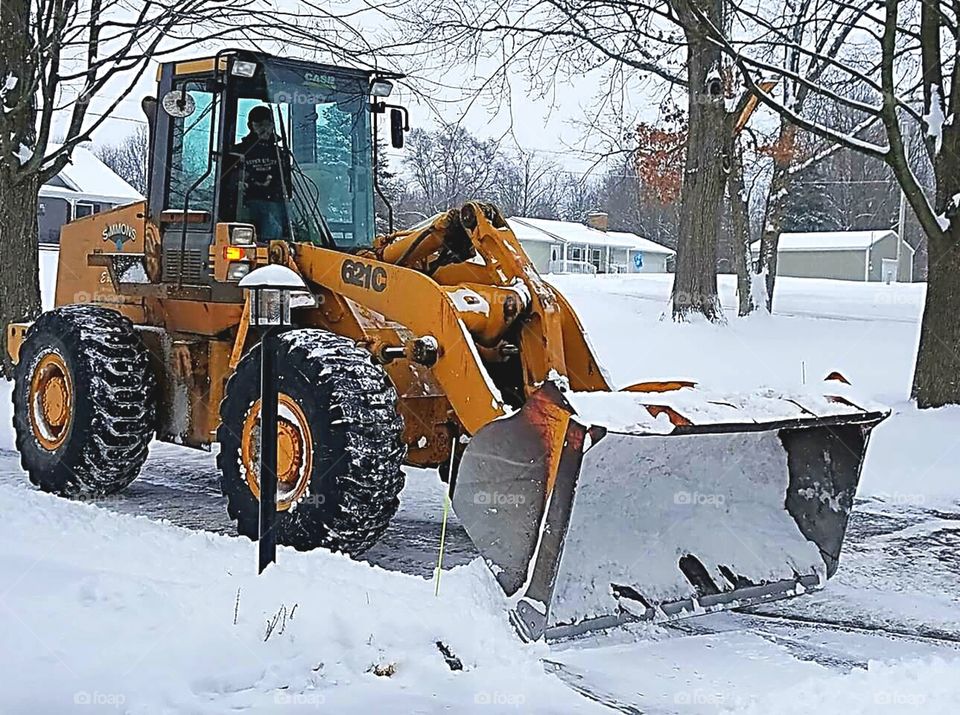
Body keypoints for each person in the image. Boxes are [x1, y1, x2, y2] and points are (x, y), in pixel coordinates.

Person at [229, 105, 292, 241]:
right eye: (259, 124)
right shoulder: (238, 152)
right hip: (245, 203)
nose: (265, 129)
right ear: (250, 126)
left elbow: (286, 184)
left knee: (275, 222)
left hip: (274, 203)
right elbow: (231, 182)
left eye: (268, 124)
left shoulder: (280, 154)